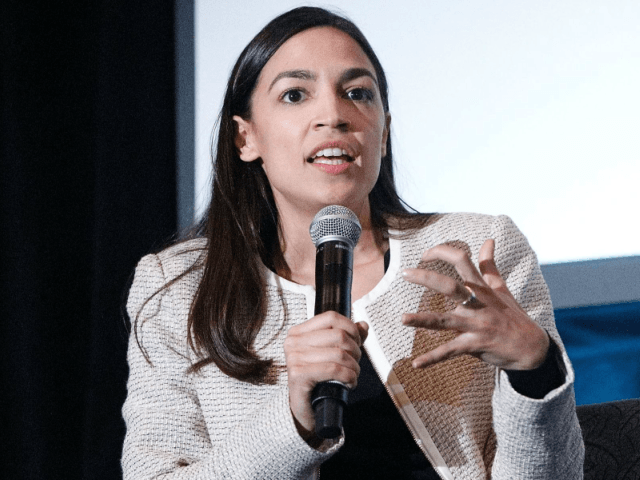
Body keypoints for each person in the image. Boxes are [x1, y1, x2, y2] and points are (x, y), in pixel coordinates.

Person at [122, 7, 584, 479]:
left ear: (383, 133)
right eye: (295, 94)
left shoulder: (478, 252)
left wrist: (535, 368)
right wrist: (293, 423)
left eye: (357, 93)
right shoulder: (179, 290)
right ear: (246, 137)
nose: (333, 115)